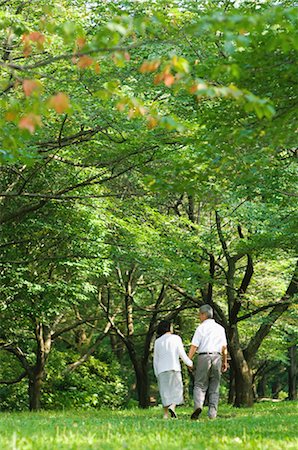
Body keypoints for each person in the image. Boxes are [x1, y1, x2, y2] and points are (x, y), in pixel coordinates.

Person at [188, 304, 228, 420]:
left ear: (204, 315)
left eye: (199, 315)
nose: (199, 317)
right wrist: (224, 362)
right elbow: (224, 348)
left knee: (200, 384)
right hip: (217, 357)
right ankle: (212, 413)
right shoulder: (220, 328)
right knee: (214, 386)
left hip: (203, 357)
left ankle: (198, 406)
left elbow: (194, 346)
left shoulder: (201, 328)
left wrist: (188, 360)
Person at [153, 320, 193, 419]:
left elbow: (155, 360)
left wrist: (156, 373)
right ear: (169, 328)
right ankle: (173, 406)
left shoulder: (157, 342)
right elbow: (182, 354)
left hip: (162, 369)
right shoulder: (176, 338)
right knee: (177, 391)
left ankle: (166, 414)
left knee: (165, 392)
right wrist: (190, 363)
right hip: (174, 367)